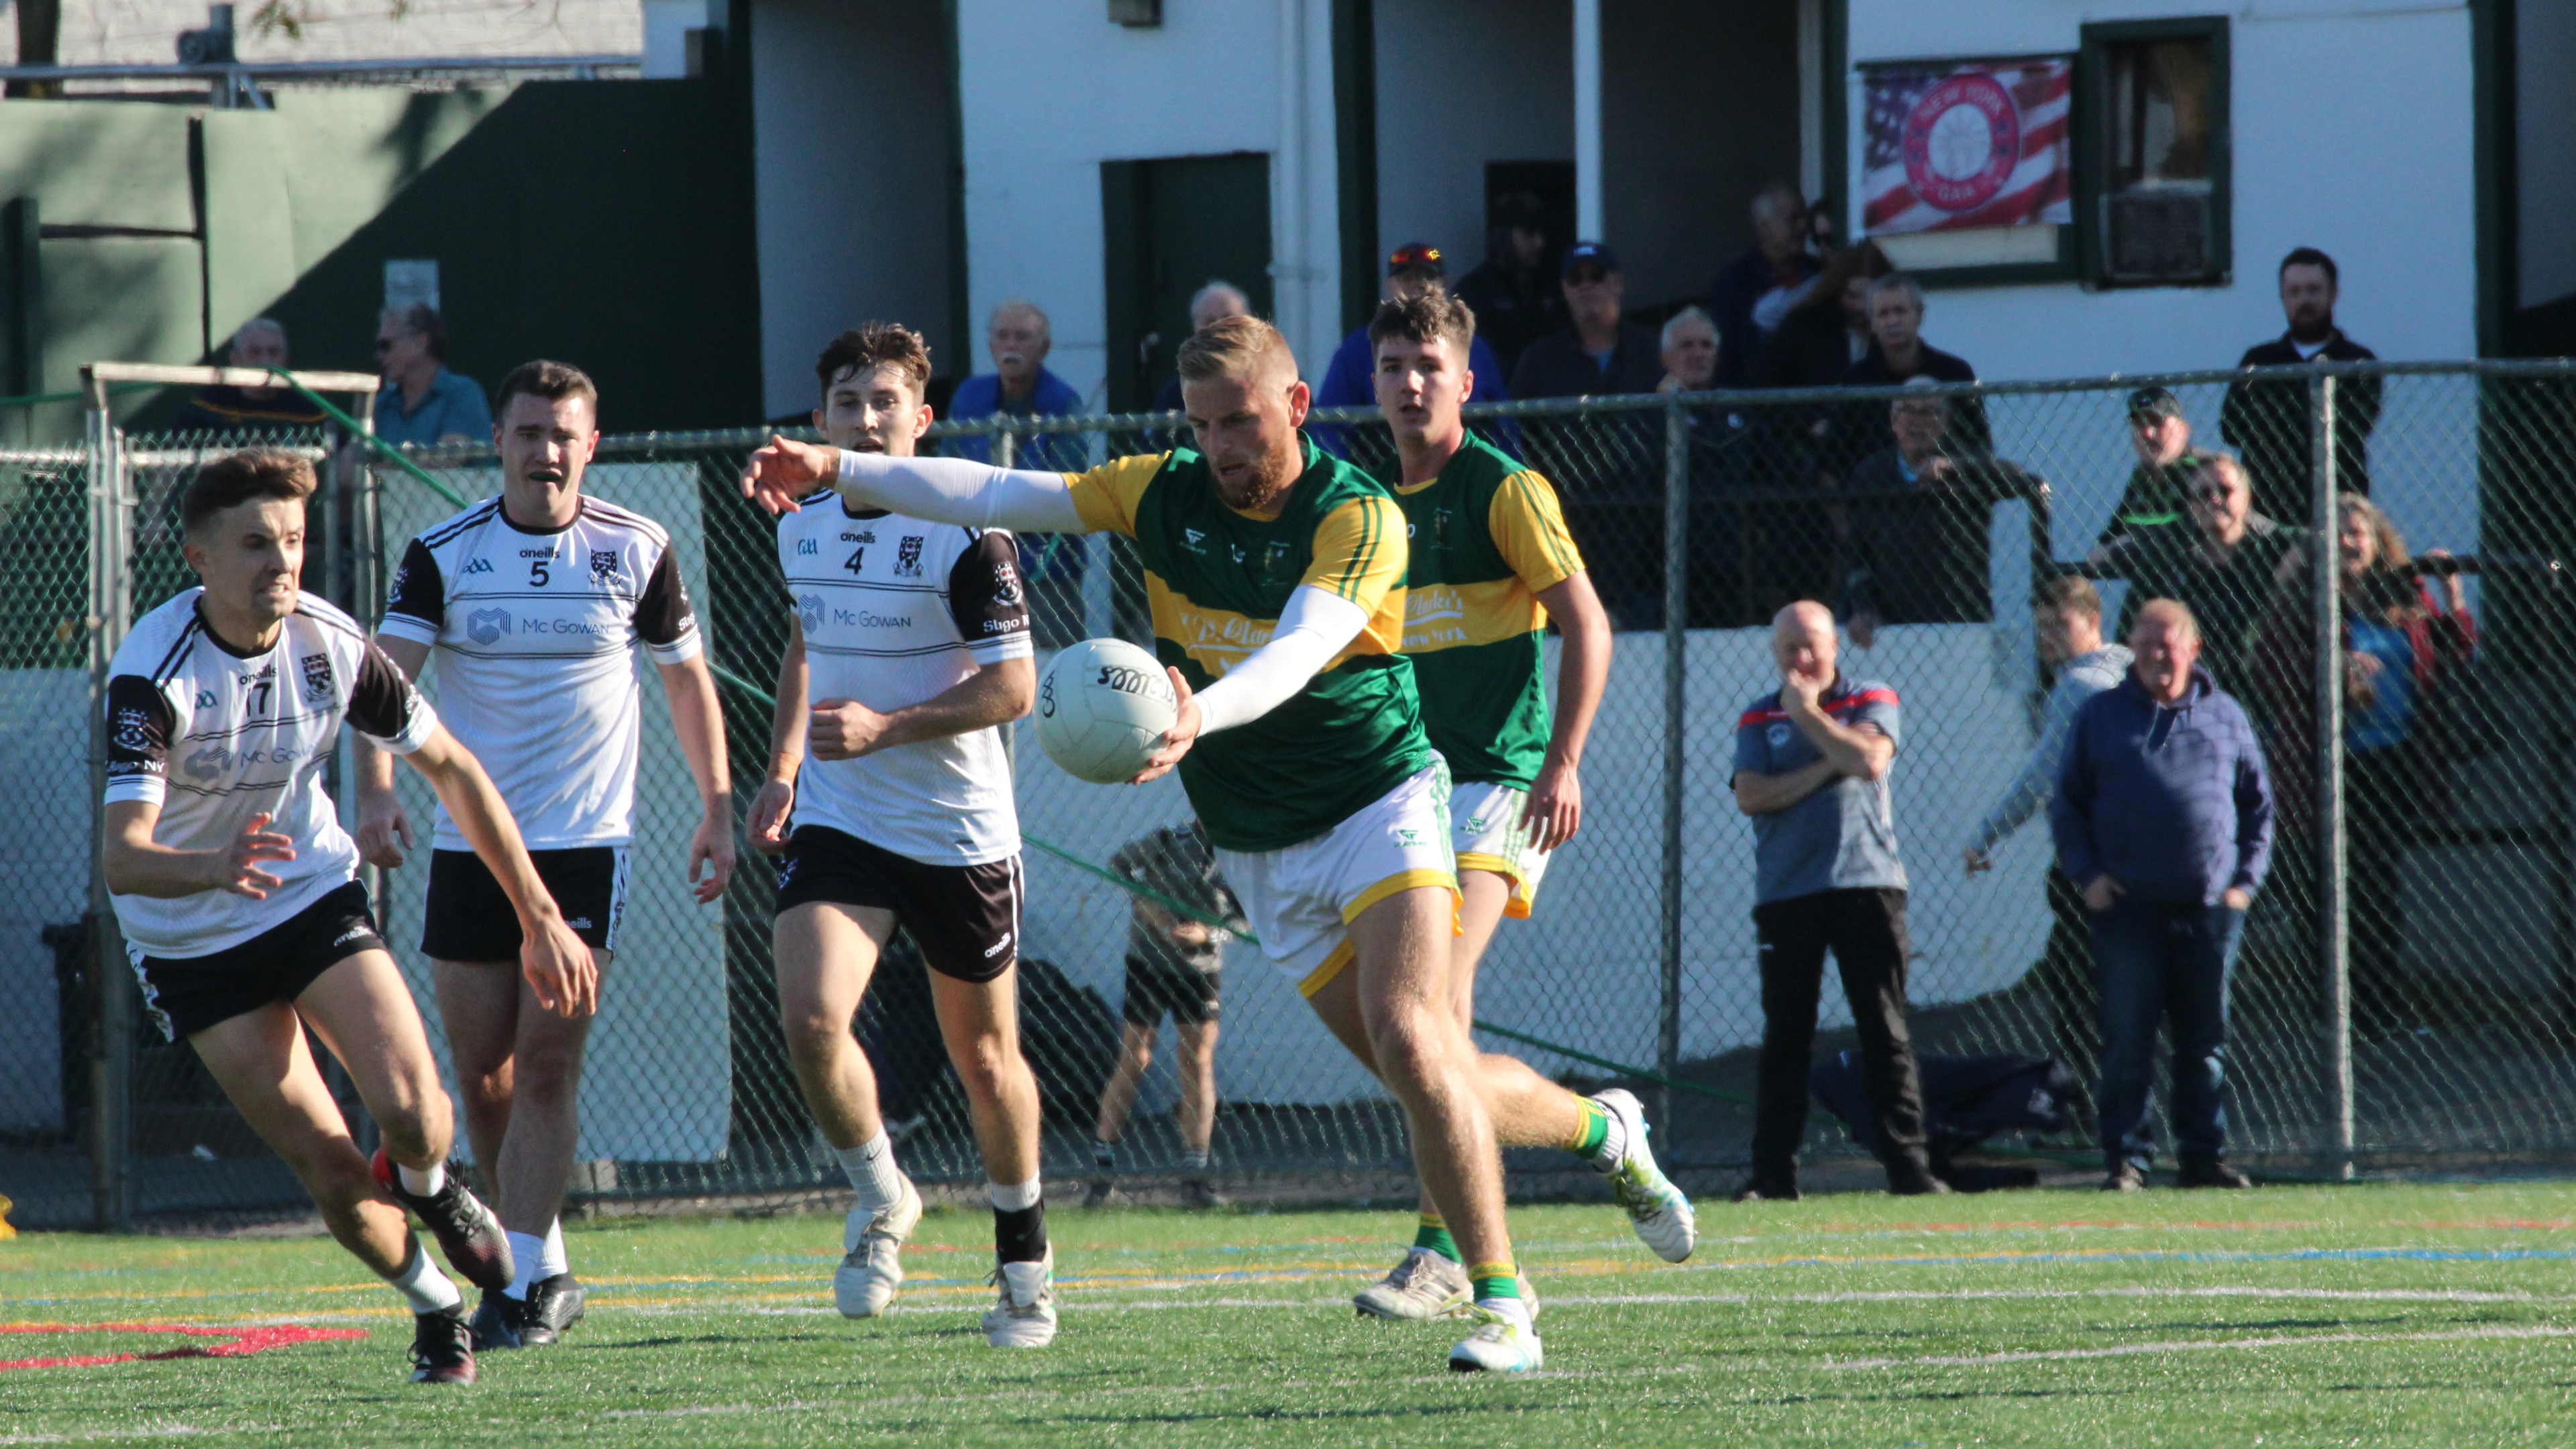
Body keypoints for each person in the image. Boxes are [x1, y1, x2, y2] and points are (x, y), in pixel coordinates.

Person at [742, 314, 1552, 1374]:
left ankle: (1502, 1304)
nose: (1223, 446)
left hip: (1380, 796)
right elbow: (998, 494)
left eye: (1243, 422)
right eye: (1205, 424)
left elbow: (1300, 653)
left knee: (1412, 1035)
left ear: (1297, 408)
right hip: (1259, 832)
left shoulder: (1360, 515)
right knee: (1425, 1070)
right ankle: (1606, 1137)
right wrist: (840, 465)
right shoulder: (1159, 485)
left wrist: (1195, 717)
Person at [102, 447, 593, 1385]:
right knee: (329, 1166)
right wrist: (213, 866)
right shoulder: (153, 675)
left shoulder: (329, 643)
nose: (281, 561)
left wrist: (539, 915)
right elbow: (123, 855)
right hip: (192, 940)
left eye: (292, 539)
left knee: (414, 1112)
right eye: (255, 543)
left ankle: (428, 1187)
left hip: (308, 894)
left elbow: (450, 767)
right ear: (198, 557)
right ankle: (435, 1304)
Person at [354, 360, 734, 1350]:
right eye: (528, 434)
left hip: (583, 849)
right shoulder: (443, 553)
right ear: (500, 444)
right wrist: (378, 793)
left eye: (564, 435)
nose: (546, 452)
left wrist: (718, 807)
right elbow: (383, 684)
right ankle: (545, 1265)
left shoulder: (636, 549)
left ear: (592, 445)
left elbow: (689, 685)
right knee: (482, 1074)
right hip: (467, 845)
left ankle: (513, 1286)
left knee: (551, 1065)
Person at [1352, 286, 1693, 1322]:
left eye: (1429, 367)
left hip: (1498, 785)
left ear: (1465, 381)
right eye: (1393, 367)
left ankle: (1440, 1252)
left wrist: (1565, 759)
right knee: (1418, 1034)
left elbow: (1586, 624)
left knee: (1432, 1017)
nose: (1411, 384)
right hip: (1403, 795)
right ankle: (1603, 1134)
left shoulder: (1502, 487)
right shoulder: (1368, 509)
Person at [742, 323, 1055, 1348]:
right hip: (843, 816)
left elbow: (1015, 688)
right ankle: (883, 1198)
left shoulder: (971, 535)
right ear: (820, 418)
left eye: (885, 402)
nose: (865, 419)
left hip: (960, 832)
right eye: (847, 401)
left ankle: (1023, 1260)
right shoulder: (799, 525)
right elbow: (806, 642)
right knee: (811, 1020)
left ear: (921, 420)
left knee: (986, 1059)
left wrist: (889, 727)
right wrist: (785, 769)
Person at [2053, 599, 2273, 1191]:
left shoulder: (2226, 715)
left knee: (2204, 1044)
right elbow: (2066, 804)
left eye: (2167, 641)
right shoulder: (2100, 716)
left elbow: (2259, 808)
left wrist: (2243, 887)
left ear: (2193, 649)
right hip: (2128, 911)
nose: (2155, 654)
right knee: (2127, 1039)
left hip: (2208, 913)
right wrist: (2089, 876)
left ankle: (2204, 1157)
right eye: (2145, 643)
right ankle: (2128, 1159)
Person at [1729, 601, 1943, 1201]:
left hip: (1868, 885)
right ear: (1776, 654)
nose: (1802, 660)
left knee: (1885, 1030)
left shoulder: (1872, 695)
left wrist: (1809, 718)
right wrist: (1829, 761)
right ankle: (1773, 1178)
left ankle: (1909, 1170)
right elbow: (1750, 794)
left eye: (1812, 646)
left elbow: (1870, 758)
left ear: (1834, 647)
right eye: (1789, 649)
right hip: (1787, 894)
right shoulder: (1757, 717)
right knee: (1786, 1038)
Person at [2251, 495, 2475, 1036]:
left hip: (2391, 761)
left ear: (2377, 543)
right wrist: (2335, 663)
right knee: (2325, 888)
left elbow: (2454, 650)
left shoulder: (2403, 592)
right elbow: (2265, 668)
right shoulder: (2302, 600)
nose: (2349, 543)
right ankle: (2326, 1017)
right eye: (2338, 534)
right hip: (2326, 763)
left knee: (2377, 887)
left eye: (2359, 533)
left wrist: (2453, 593)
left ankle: (2377, 1013)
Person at [1963, 574, 2133, 1113]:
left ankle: (2088, 1095)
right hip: (2146, 851)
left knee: (2074, 979)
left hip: (2092, 858)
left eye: (2061, 624)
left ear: (2093, 619)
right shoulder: (2134, 666)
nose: (2049, 637)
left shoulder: (2080, 686)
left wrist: (1987, 832)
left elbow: (2041, 777)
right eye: (2041, 627)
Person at [1087, 818, 1245, 1210]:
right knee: (1135, 1057)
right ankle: (1102, 1169)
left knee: (1196, 1061)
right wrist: (1147, 904)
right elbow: (1118, 864)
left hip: (1200, 971)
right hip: (1149, 963)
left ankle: (1196, 1175)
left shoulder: (1243, 852)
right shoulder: (1166, 840)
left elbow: (1245, 919)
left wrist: (1209, 934)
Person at [1835, 382, 2038, 644]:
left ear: (1945, 421)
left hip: (1959, 617)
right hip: (1890, 623)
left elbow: (2020, 479)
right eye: (1907, 411)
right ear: (1893, 420)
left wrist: (1954, 468)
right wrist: (1863, 607)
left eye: (1929, 412)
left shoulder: (1964, 464)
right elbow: (1857, 551)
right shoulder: (1871, 473)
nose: (1917, 421)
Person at [2092, 451, 2300, 694]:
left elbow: (2321, 537)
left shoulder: (2272, 550)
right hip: (2185, 690)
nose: (2214, 500)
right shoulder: (2167, 559)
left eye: (2224, 490)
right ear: (2191, 506)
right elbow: (2129, 630)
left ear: (2247, 499)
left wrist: (2298, 555)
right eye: (2203, 494)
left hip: (2263, 690)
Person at [949, 301, 1087, 639]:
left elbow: (1064, 479)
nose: (1011, 346)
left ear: (1045, 348)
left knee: (1053, 658)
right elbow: (950, 466)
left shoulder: (1063, 402)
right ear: (991, 344)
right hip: (976, 560)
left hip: (1047, 566)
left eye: (1023, 337)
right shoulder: (970, 396)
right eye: (1003, 336)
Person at [2220, 248, 2382, 525]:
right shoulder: (2259, 360)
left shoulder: (2358, 361)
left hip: (2338, 511)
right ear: (2282, 298)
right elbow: (2232, 428)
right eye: (2294, 292)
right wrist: (2308, 411)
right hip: (2266, 510)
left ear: (2333, 295)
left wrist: (2271, 414)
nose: (2303, 300)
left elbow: (2351, 427)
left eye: (2313, 290)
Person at [1310, 244, 1509, 441]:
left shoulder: (1474, 348)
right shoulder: (1356, 350)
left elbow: (1505, 425)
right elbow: (1328, 428)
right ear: (1388, 285)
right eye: (1406, 278)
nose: (1417, 285)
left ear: (1446, 283)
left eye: (1427, 277)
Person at [1837, 274, 1988, 458]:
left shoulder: (1955, 373)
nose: (1892, 321)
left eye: (1900, 311)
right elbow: (1838, 455)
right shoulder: (1855, 381)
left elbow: (1980, 446)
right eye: (1883, 314)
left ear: (1919, 316)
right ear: (1873, 324)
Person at [1507, 241, 1663, 400]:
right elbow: (1512, 422)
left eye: (1596, 276)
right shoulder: (1538, 362)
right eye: (1575, 279)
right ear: (1564, 289)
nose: (1586, 286)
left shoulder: (1653, 352)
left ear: (1618, 284)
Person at [1708, 181, 1821, 389]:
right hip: (1756, 404)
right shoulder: (1735, 283)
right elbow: (1725, 355)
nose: (1803, 227)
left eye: (1804, 217)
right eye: (1793, 219)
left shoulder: (1819, 274)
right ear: (1764, 225)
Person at [1450, 192, 1565, 379]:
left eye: (1542, 233)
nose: (1539, 243)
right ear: (1504, 235)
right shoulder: (1475, 290)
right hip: (1498, 397)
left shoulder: (1553, 286)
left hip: (1548, 393)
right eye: (1529, 232)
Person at [172, 319, 329, 435]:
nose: (266, 361)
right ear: (235, 360)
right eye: (255, 352)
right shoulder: (209, 405)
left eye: (274, 353)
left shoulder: (308, 409)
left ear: (286, 360)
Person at [2096, 387, 2205, 549]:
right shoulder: (2141, 476)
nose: (2147, 433)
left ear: (2183, 429)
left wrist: (2128, 547)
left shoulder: (2203, 472)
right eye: (2139, 424)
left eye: (2157, 422)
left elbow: (2190, 537)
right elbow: (2113, 534)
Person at [372, 305, 492, 448]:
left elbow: (445, 460)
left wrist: (376, 466)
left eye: (386, 345)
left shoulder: (463, 393)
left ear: (419, 343)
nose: (379, 356)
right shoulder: (381, 406)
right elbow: (351, 462)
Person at [1150, 281, 1254, 415]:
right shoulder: (1179, 391)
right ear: (1196, 329)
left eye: (1228, 317)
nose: (1219, 326)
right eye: (1210, 321)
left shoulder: (1271, 377)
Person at [1655, 307, 1718, 394]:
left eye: (1706, 345)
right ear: (1665, 358)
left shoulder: (1736, 403)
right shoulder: (1637, 404)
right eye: (1687, 346)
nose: (1698, 354)